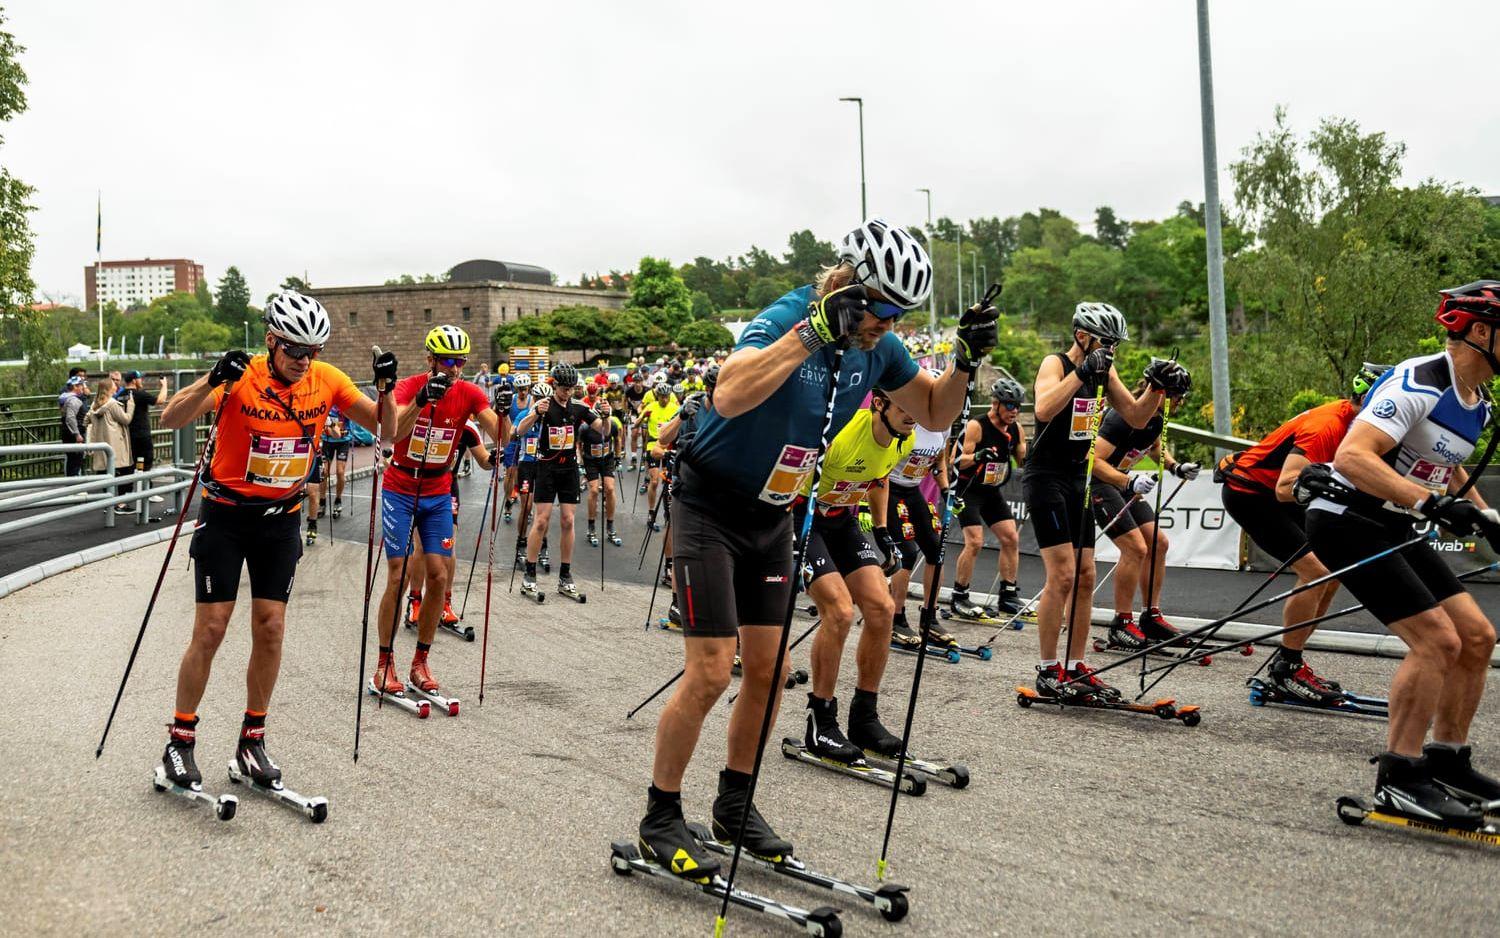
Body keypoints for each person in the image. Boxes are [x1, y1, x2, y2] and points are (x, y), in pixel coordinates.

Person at [637, 217, 993, 878]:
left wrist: (966, 360)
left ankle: (734, 804)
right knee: (715, 669)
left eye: (900, 312)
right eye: (881, 306)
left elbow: (938, 413)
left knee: (769, 673)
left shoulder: (878, 347)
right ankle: (660, 815)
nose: (888, 322)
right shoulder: (791, 314)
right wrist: (810, 335)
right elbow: (730, 392)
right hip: (710, 504)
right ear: (848, 285)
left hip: (777, 515)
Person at [157, 291, 394, 791]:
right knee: (212, 628)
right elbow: (170, 419)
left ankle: (252, 739)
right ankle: (180, 739)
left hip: (279, 520)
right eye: (294, 351)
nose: (304, 362)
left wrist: (387, 390)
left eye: (313, 352)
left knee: (271, 627)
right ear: (271, 341)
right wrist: (212, 378)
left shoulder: (326, 380)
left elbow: (385, 429)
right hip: (225, 515)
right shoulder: (242, 375)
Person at [1305, 280, 1500, 829]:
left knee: (1478, 638)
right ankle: (1400, 777)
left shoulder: (1477, 403)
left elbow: (1448, 466)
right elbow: (1353, 455)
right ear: (1480, 332)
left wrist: (1484, 518)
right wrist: (1431, 503)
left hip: (1392, 524)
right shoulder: (1419, 380)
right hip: (1347, 520)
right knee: (1437, 640)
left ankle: (1448, 762)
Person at [1027, 302, 1183, 702]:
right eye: (1107, 342)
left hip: (1079, 476)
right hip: (1046, 477)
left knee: (1086, 576)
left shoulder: (1105, 370)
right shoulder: (1056, 363)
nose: (1112, 350)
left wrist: (1156, 387)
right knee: (1062, 575)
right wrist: (1080, 372)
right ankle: (1047, 667)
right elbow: (1043, 408)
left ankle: (1076, 664)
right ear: (1083, 336)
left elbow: (1134, 416)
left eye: (1116, 343)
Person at [1216, 366, 1388, 702]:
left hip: (1276, 492)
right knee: (1315, 570)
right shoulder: (1326, 427)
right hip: (1251, 494)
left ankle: (1290, 660)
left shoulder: (1356, 425)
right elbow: (1284, 488)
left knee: (1334, 568)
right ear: (1367, 401)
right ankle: (1288, 667)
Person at [372, 325, 503, 700]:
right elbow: (392, 434)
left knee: (439, 573)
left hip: (438, 490)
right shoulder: (411, 386)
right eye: (448, 361)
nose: (455, 369)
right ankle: (385, 663)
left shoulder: (469, 391)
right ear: (430, 360)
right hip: (400, 488)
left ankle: (420, 661)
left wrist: (508, 414)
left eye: (460, 361)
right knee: (397, 575)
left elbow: (499, 435)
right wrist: (420, 402)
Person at [799, 388, 915, 764]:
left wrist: (882, 532)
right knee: (840, 611)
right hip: (802, 519)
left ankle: (864, 718)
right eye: (906, 406)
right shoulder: (845, 434)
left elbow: (879, 479)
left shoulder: (905, 436)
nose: (914, 414)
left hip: (842, 519)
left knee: (882, 607)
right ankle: (821, 720)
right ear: (879, 405)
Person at [1091, 364, 1199, 649]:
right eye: (1177, 396)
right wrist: (1128, 482)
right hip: (1101, 483)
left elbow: (1154, 448)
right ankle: (1121, 623)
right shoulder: (1123, 417)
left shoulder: (1157, 416)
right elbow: (1095, 461)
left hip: (1123, 484)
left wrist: (1177, 467)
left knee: (1158, 543)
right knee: (1135, 548)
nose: (1181, 402)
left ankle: (1150, 616)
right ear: (1160, 393)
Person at [512, 362, 605, 599]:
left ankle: (565, 575)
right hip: (546, 468)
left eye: (571, 388)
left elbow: (603, 431)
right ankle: (530, 575)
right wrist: (535, 413)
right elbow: (519, 431)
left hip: (569, 469)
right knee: (541, 520)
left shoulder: (579, 407)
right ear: (555, 386)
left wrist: (607, 415)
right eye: (564, 388)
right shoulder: (544, 405)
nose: (567, 393)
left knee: (568, 520)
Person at [883, 368, 954, 646]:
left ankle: (929, 616)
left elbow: (940, 461)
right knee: (907, 552)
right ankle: (896, 618)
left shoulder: (942, 423)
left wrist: (946, 488)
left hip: (913, 491)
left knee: (936, 550)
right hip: (890, 488)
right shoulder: (905, 419)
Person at [949, 376, 1028, 622]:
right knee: (975, 542)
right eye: (1009, 406)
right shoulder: (977, 426)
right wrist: (978, 455)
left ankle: (1008, 595)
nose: (1014, 411)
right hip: (968, 490)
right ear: (996, 404)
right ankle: (959, 596)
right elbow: (955, 461)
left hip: (992, 491)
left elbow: (1023, 456)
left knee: (1011, 537)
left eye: (1018, 406)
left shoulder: (1016, 428)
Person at [407, 418, 496, 628]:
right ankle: (415, 601)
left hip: (447, 488)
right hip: (422, 486)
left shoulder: (467, 424)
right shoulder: (427, 415)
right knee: (420, 545)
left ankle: (444, 604)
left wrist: (496, 457)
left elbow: (484, 460)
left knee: (449, 546)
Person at [581, 392, 625, 548]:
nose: (603, 419)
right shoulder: (586, 427)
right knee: (593, 491)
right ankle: (591, 527)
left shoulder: (612, 424)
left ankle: (610, 526)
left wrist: (618, 458)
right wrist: (581, 463)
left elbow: (618, 440)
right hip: (591, 460)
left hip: (607, 459)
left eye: (606, 416)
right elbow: (578, 445)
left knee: (610, 488)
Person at [88, 377, 136, 513]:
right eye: (114, 385)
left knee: (105, 472)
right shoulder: (112, 404)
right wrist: (131, 406)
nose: (116, 386)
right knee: (124, 473)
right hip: (116, 445)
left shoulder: (94, 405)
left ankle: (108, 503)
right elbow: (126, 420)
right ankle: (119, 504)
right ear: (109, 388)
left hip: (102, 445)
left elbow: (87, 420)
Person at [120, 371, 170, 502]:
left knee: (128, 465)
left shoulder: (120, 395)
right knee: (146, 463)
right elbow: (160, 400)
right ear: (134, 380)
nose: (141, 380)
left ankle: (125, 493)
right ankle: (147, 492)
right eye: (140, 378)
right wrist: (164, 385)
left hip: (126, 435)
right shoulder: (139, 394)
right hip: (141, 435)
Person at [638, 378, 679, 526]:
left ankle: (669, 512)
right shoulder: (651, 406)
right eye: (662, 396)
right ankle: (650, 512)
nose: (665, 399)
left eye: (667, 396)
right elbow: (636, 423)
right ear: (657, 396)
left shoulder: (675, 408)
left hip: (669, 446)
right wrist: (642, 419)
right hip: (652, 445)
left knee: (668, 482)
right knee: (654, 481)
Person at [502, 371, 536, 528]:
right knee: (510, 472)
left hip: (527, 442)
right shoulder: (512, 400)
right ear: (516, 388)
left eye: (525, 388)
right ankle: (508, 500)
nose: (523, 391)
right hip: (512, 440)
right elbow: (502, 417)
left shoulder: (532, 402)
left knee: (525, 474)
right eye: (520, 388)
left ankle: (527, 506)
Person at [59, 376, 89, 476]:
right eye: (81, 385)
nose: (83, 388)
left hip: (66, 432)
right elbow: (70, 418)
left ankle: (72, 485)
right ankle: (75, 487)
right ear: (75, 386)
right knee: (76, 461)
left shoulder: (64, 398)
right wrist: (77, 434)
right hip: (74, 434)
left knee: (71, 460)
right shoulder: (74, 400)